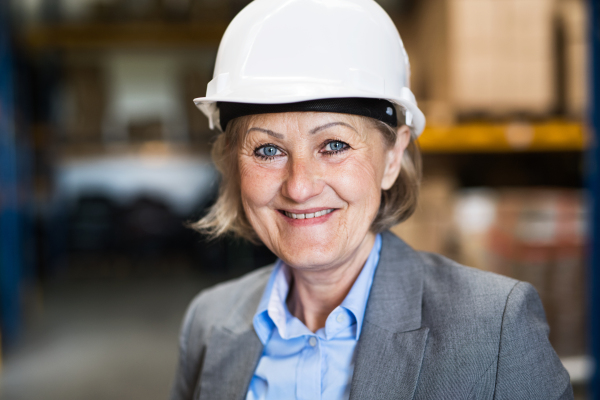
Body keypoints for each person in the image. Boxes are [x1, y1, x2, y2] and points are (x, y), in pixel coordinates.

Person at [170, 0, 573, 399]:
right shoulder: (208, 321)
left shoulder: (494, 327)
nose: (299, 187)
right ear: (231, 163)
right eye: (267, 151)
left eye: (333, 144)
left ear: (392, 158)